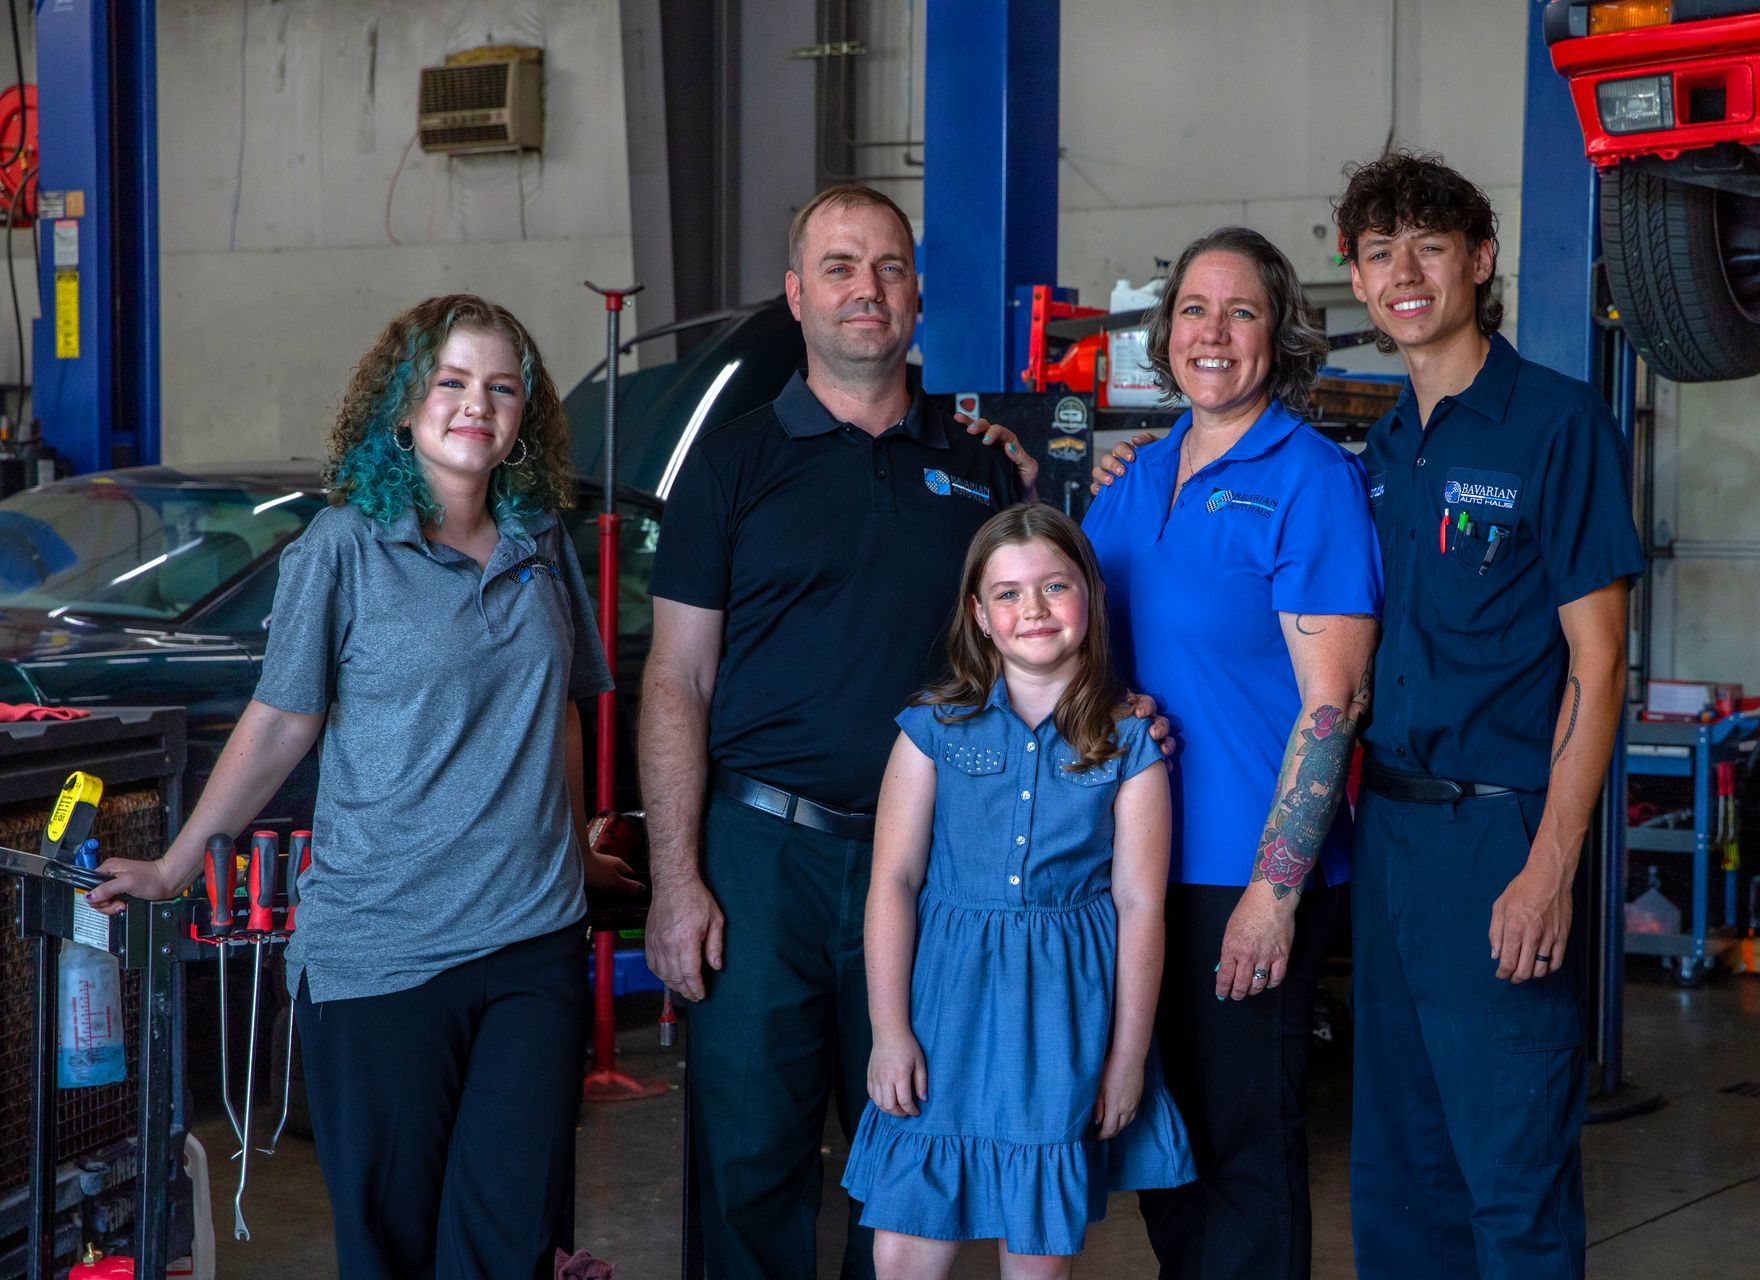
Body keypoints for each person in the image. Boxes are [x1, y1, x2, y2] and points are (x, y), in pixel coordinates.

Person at [87, 294, 640, 1279]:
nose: (479, 404)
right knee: (391, 1248)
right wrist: (178, 861)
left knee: (512, 1242)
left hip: (531, 940)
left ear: (525, 415)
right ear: (402, 406)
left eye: (502, 386)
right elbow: (281, 720)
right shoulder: (343, 547)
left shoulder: (537, 541)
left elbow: (558, 709)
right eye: (454, 382)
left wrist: (577, 844)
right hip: (385, 950)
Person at [640, 183, 1056, 1280]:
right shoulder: (730, 465)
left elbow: (1043, 641)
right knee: (749, 1155)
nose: (864, 288)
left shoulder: (983, 470)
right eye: (837, 266)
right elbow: (677, 674)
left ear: (918, 293)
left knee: (908, 1151)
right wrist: (677, 878)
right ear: (796, 294)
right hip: (763, 857)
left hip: (931, 860)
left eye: (886, 267)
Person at [1334, 151, 1642, 1276]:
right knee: (1401, 1170)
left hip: (1499, 835)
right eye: (1379, 253)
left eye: (1427, 244)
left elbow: (1597, 664)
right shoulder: (1382, 447)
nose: (1403, 272)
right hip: (1392, 839)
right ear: (1358, 283)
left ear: (1481, 259)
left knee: (1508, 1178)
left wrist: (1550, 865)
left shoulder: (1556, 426)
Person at [1077, 227, 1381, 1278]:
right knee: (1163, 1146)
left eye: (1241, 311)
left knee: (1246, 1151)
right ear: (1166, 338)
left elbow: (1333, 703)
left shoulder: (1310, 480)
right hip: (1131, 871)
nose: (1214, 332)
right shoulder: (1128, 481)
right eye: (1194, 311)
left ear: (1279, 334)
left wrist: (1275, 890)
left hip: (1239, 871)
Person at [842, 504, 1194, 1278]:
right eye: (1007, 593)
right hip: (945, 1012)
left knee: (1036, 1254)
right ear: (979, 615)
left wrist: (1127, 1058)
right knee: (902, 1248)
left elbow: (1140, 907)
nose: (1032, 609)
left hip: (1062, 1024)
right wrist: (889, 1030)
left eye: (1054, 586)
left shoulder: (1131, 743)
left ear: (1092, 599)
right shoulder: (931, 729)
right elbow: (894, 882)